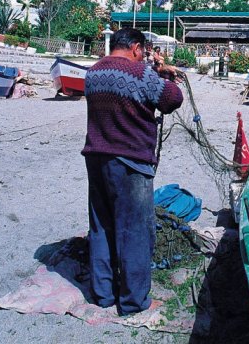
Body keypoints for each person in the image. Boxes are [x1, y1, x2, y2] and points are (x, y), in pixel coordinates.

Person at [81, 28, 184, 316]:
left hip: (96, 157)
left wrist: (154, 70)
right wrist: (164, 74)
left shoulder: (93, 73)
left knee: (101, 225)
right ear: (137, 48)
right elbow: (172, 99)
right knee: (135, 230)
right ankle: (134, 301)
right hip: (130, 161)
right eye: (144, 52)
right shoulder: (141, 74)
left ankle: (102, 294)